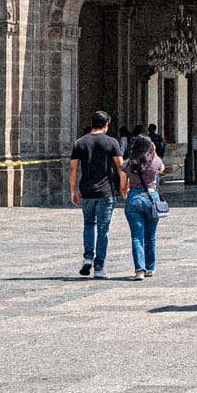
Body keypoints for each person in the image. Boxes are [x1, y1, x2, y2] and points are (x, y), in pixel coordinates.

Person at [68, 112, 124, 278]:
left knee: (88, 224)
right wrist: (123, 188)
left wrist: (72, 191)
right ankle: (99, 267)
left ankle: (87, 258)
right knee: (103, 228)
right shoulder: (111, 142)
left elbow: (73, 168)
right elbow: (121, 167)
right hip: (105, 192)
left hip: (87, 191)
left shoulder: (80, 143)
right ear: (105, 125)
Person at [119, 133, 163, 280]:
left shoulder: (127, 163)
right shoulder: (154, 162)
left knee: (136, 237)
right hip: (152, 198)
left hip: (134, 198)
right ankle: (150, 268)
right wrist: (154, 152)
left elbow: (123, 185)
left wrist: (126, 196)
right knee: (150, 236)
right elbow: (162, 168)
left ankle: (139, 270)